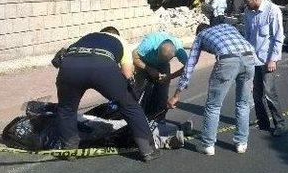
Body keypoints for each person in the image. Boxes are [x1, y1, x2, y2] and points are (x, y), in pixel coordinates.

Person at [55, 26, 162, 162]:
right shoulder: (121, 41)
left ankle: (69, 149)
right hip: (102, 67)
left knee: (66, 109)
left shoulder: (88, 36)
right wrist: (128, 92)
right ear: (116, 34)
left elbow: (60, 59)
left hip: (70, 67)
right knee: (130, 107)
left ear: (101, 33)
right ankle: (148, 150)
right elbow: (127, 74)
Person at [167, 20, 255, 156]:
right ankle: (241, 143)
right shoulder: (227, 26)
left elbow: (189, 66)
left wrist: (176, 95)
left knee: (213, 106)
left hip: (227, 60)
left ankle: (208, 145)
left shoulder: (201, 36)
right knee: (243, 104)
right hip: (250, 57)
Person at [242, 0, 287, 137]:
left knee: (269, 92)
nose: (246, 4)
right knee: (256, 94)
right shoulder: (247, 12)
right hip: (253, 59)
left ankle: (279, 124)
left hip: (268, 59)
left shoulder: (272, 11)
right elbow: (247, 36)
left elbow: (278, 36)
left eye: (248, 1)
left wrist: (273, 59)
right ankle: (263, 123)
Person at [132, 32, 188, 118]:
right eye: (159, 57)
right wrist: (148, 68)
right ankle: (133, 114)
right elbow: (134, 57)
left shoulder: (179, 49)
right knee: (138, 89)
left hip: (163, 66)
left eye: (163, 59)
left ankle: (159, 118)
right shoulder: (149, 44)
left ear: (174, 55)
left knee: (162, 93)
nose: (159, 59)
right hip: (144, 62)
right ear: (157, 49)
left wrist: (170, 76)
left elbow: (188, 68)